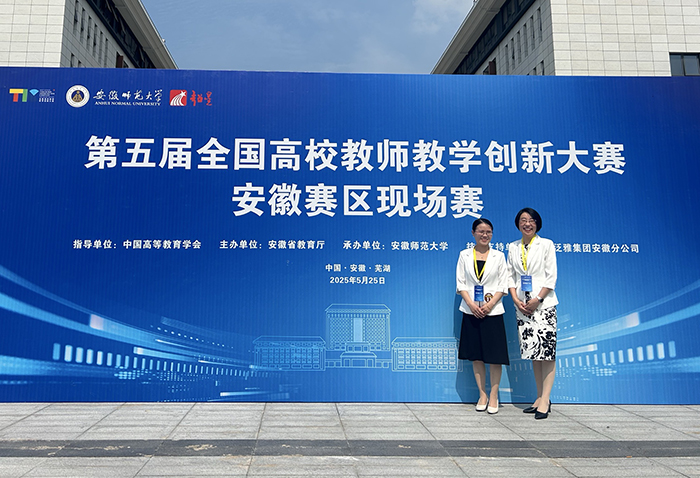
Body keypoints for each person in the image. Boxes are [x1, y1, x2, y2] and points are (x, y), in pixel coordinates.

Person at [507, 208, 558, 420]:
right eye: (523, 220)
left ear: (537, 223)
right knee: (534, 354)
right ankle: (538, 397)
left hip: (543, 305)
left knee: (547, 353)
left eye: (531, 220)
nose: (527, 224)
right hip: (523, 306)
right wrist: (516, 300)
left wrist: (538, 299)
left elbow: (551, 276)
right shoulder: (513, 247)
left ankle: (546, 399)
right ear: (518, 224)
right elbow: (509, 276)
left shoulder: (546, 244)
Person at [456, 218, 510, 414]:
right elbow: (461, 283)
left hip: (492, 312)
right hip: (471, 311)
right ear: (473, 233)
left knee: (495, 357)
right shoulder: (464, 255)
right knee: (476, 357)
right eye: (480, 231)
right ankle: (482, 394)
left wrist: (489, 305)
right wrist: (472, 305)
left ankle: (494, 395)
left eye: (488, 232)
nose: (484, 235)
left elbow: (503, 284)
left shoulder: (499, 256)